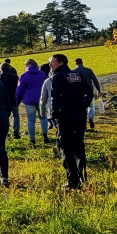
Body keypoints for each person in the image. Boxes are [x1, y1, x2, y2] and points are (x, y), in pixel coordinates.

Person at [49, 54, 93, 190]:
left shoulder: (57, 77)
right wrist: (82, 106)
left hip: (65, 116)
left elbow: (54, 98)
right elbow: (90, 93)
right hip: (80, 115)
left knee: (66, 147)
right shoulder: (78, 76)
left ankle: (72, 181)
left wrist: (54, 115)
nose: (50, 65)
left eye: (52, 62)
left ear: (60, 62)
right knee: (79, 145)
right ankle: (82, 176)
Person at [16, 59, 50, 144]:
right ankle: (45, 135)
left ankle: (32, 139)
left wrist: (18, 100)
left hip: (29, 100)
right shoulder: (42, 74)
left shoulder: (24, 75)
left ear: (28, 65)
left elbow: (20, 90)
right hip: (41, 99)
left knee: (31, 120)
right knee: (43, 117)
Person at [72, 58, 102, 129]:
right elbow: (95, 80)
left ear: (75, 63)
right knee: (91, 106)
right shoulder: (88, 70)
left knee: (81, 107)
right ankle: (90, 118)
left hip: (78, 92)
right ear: (82, 63)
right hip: (89, 91)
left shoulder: (73, 72)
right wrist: (98, 90)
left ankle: (83, 122)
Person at [0, 62, 21, 138]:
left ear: (1, 69)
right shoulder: (15, 77)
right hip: (14, 98)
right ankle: (16, 132)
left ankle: (6, 132)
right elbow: (19, 88)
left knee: (5, 116)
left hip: (3, 100)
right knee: (15, 115)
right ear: (9, 68)